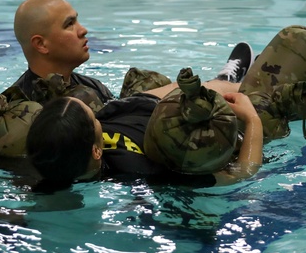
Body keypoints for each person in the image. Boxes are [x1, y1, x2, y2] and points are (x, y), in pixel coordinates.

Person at [10, 0, 254, 102]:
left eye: (77, 20)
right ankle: (227, 84)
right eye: (69, 24)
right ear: (41, 44)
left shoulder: (88, 85)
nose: (82, 30)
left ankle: (224, 84)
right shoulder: (22, 106)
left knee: (146, 82)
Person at [26, 80, 263, 188]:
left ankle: (225, 79)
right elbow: (241, 173)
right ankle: (230, 80)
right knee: (247, 94)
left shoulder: (53, 150)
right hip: (174, 118)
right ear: (96, 151)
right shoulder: (142, 173)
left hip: (140, 103)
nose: (97, 118)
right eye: (93, 118)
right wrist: (253, 120)